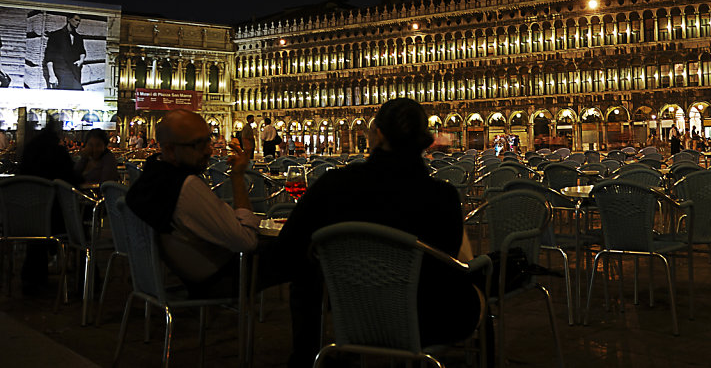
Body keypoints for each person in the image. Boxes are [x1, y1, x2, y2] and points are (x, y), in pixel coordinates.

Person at [264, 98, 483, 368]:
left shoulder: (333, 185)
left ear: (377, 133)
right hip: (427, 321)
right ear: (423, 140)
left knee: (306, 278)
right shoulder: (443, 196)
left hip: (350, 312)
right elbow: (448, 267)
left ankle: (306, 359)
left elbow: (287, 252)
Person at [125, 109, 258, 297]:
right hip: (217, 280)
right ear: (171, 149)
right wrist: (237, 177)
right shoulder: (185, 185)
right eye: (198, 144)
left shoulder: (151, 175)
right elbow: (246, 241)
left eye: (208, 140)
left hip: (179, 275)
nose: (209, 150)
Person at [18, 119, 80, 293]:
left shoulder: (28, 153)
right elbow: (73, 181)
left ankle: (32, 278)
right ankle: (86, 280)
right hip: (58, 221)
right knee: (79, 227)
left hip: (24, 219)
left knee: (39, 224)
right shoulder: (58, 154)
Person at [43, 14, 88, 90]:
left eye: (79, 21)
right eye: (76, 20)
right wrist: (52, 75)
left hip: (75, 72)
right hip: (60, 73)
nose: (78, 23)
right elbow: (49, 57)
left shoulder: (78, 37)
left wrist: (81, 60)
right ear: (69, 19)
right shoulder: (56, 35)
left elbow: (82, 52)